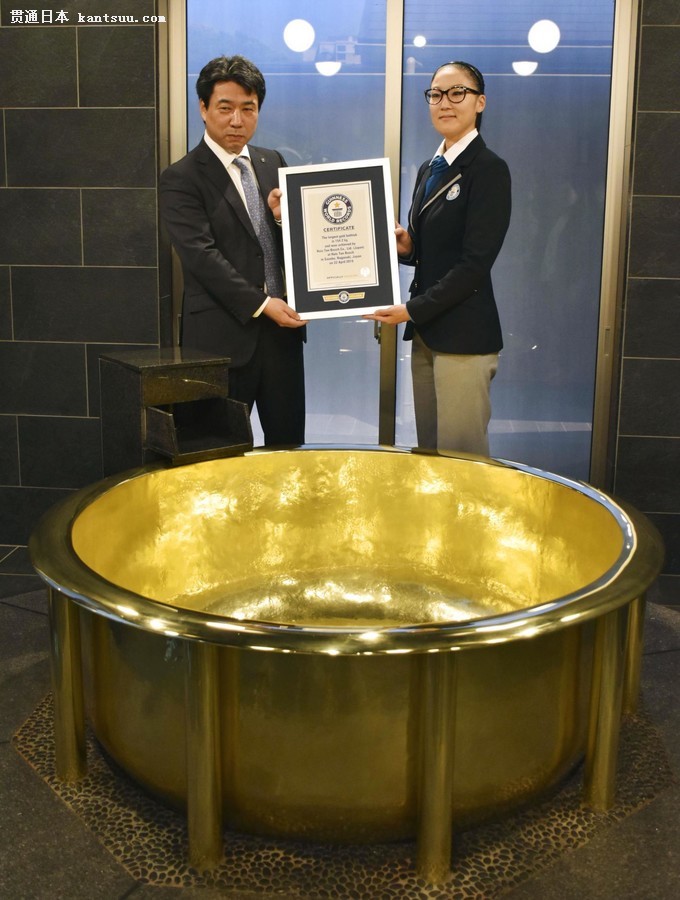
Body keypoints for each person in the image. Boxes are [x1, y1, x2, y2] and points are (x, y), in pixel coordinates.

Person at [159, 55, 306, 446]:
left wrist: (281, 221)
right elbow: (201, 256)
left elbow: (294, 243)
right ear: (203, 108)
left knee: (288, 452)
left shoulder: (273, 162)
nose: (237, 120)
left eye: (248, 109)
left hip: (282, 339)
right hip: (220, 342)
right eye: (225, 108)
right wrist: (262, 303)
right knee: (217, 455)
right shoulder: (181, 177)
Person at [365, 61, 511, 456]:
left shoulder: (488, 169)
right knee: (430, 456)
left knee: (462, 458)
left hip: (464, 337)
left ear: (480, 102)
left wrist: (411, 309)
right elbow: (438, 250)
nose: (445, 102)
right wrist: (409, 247)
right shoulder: (430, 168)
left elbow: (474, 265)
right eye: (435, 94)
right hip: (428, 334)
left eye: (457, 92)